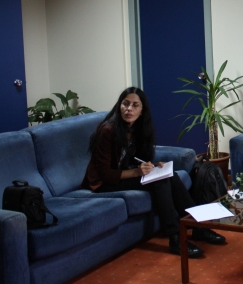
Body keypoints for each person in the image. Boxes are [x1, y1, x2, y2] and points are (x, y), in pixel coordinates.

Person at [81, 87, 226, 258]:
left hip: (123, 174)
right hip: (103, 183)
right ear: (119, 106)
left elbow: (137, 158)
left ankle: (198, 227)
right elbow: (104, 174)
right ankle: (175, 238)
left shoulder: (138, 129)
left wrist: (154, 166)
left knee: (169, 175)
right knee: (160, 180)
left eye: (135, 105)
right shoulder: (108, 131)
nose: (129, 109)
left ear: (142, 110)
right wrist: (137, 172)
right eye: (125, 104)